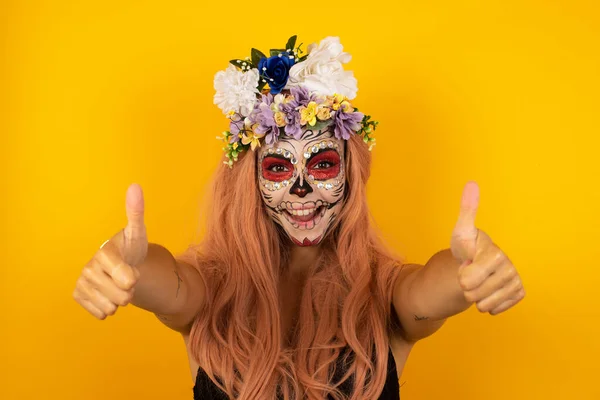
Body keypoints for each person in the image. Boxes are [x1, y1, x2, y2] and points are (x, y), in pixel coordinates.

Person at [72, 36, 526, 399]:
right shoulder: (209, 293)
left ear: (351, 174)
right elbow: (164, 281)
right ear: (249, 180)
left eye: (323, 163)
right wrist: (122, 261)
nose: (302, 188)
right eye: (278, 167)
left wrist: (467, 271)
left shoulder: (385, 297)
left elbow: (429, 288)